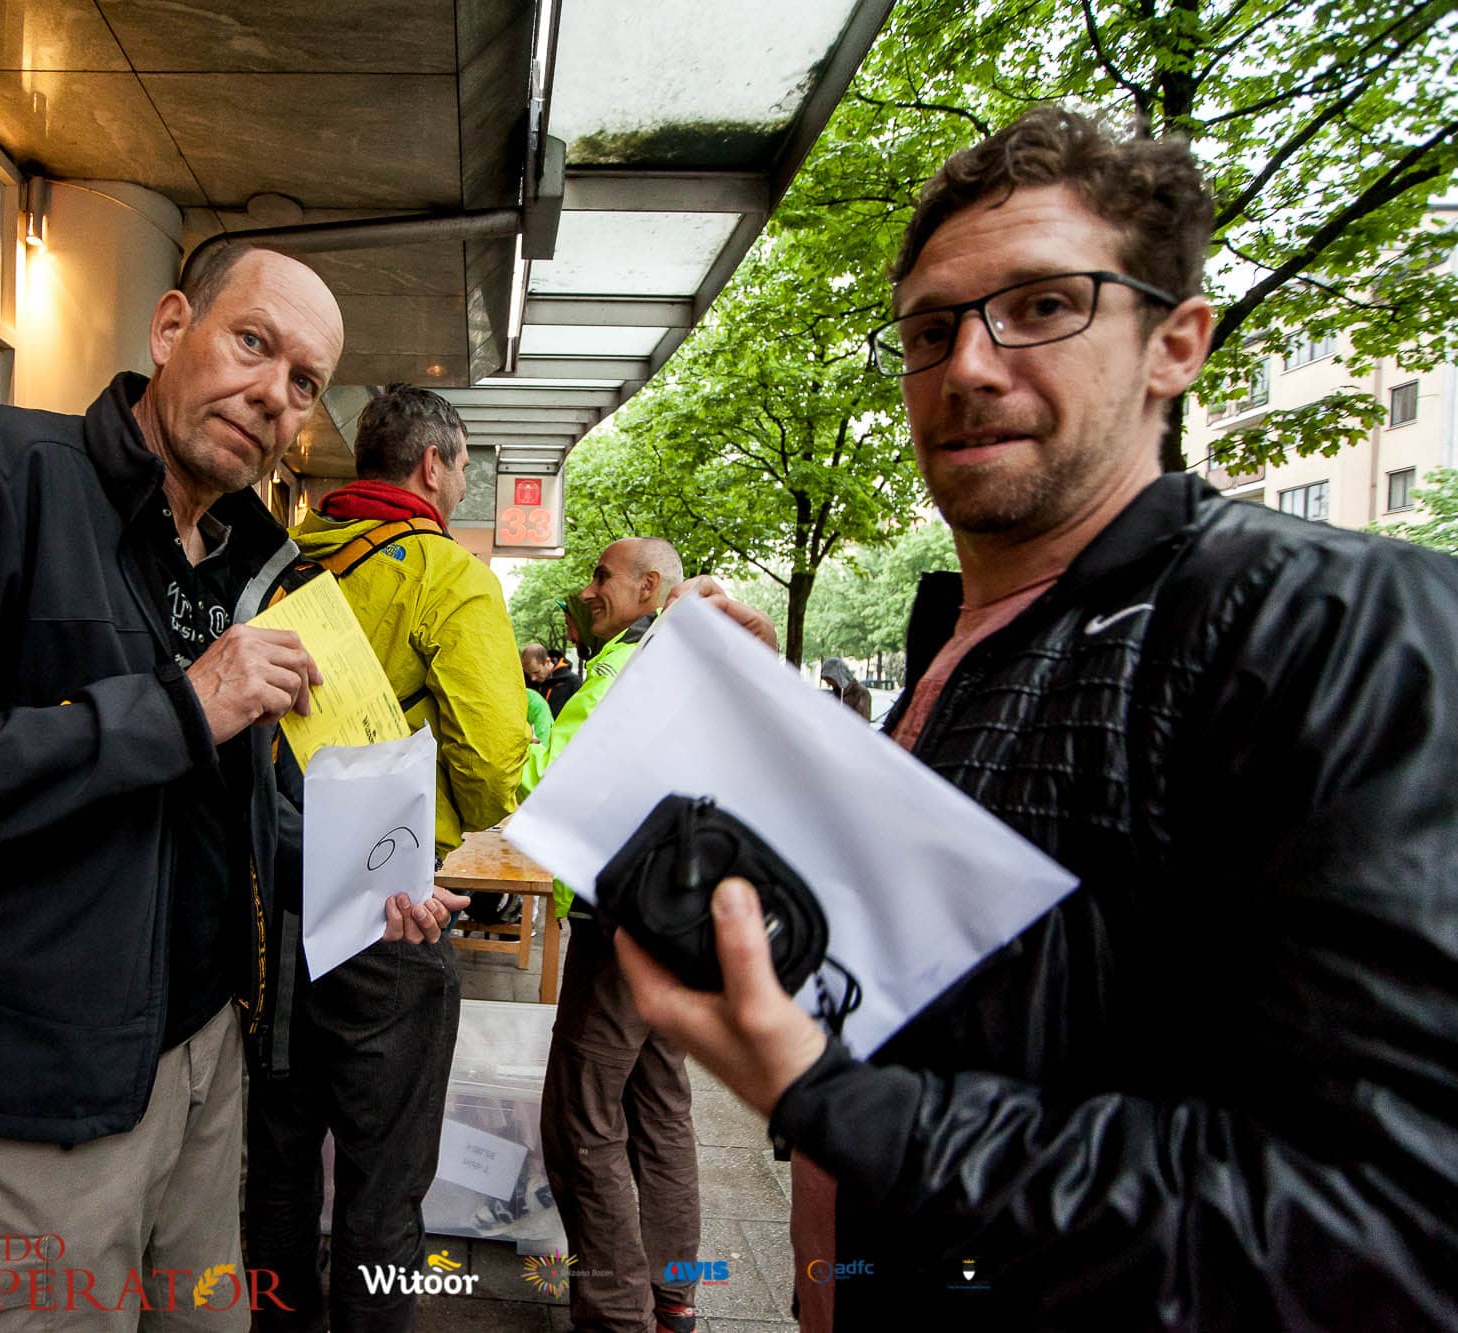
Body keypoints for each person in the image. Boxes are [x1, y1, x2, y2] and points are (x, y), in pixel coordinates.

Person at [615, 107, 1458, 1331]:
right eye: (931, 328)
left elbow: (1380, 1225)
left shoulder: (1336, 623)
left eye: (1043, 305)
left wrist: (831, 1096)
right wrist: (776, 737)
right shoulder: (960, 648)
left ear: (1173, 343)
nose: (968, 364)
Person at [0, 243, 455, 1331]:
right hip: (35, 1087)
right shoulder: (1, 473)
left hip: (208, 1060)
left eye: (304, 380)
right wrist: (175, 709)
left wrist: (363, 881)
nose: (272, 393)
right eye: (252, 342)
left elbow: (218, 811)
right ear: (170, 329)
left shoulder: (254, 564)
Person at [246, 384, 525, 1332]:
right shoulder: (448, 575)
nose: (459, 484)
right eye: (461, 468)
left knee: (279, 1162)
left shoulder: (281, 561)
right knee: (383, 1175)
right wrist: (476, 835)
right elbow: (492, 755)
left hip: (271, 907)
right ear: (432, 465)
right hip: (390, 909)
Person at [520, 538, 705, 1333]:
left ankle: (616, 1313)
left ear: (648, 587)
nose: (589, 588)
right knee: (659, 1106)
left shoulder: (622, 668)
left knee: (581, 1122)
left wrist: (515, 752)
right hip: (674, 922)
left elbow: (547, 788)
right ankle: (673, 1298)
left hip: (616, 924)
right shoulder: (681, 664)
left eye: (603, 575)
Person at [531, 640, 583, 716]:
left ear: (550, 661)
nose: (533, 678)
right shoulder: (538, 681)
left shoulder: (573, 681)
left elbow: (579, 710)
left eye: (536, 672)